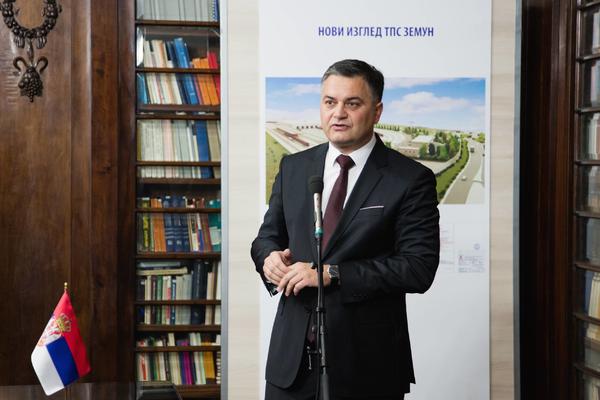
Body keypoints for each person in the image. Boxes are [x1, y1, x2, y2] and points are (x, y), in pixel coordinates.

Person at [251, 59, 440, 400]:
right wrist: (269, 259)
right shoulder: (294, 167)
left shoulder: (410, 179)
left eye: (352, 103)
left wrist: (332, 274)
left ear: (377, 111)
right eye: (330, 102)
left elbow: (418, 268)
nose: (338, 113)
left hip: (367, 367)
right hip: (290, 366)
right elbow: (267, 237)